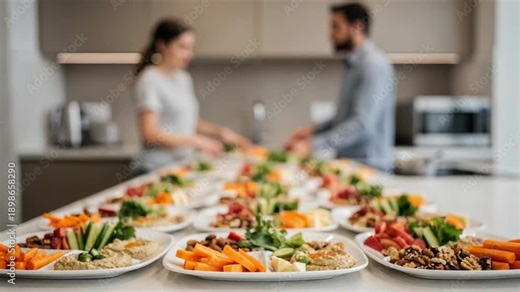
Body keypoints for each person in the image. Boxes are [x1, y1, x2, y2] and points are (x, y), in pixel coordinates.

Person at [285, 3, 395, 171]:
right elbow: (345, 118)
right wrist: (312, 130)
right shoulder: (354, 64)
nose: (331, 36)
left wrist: (312, 145)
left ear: (357, 27)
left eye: (336, 27)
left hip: (369, 168)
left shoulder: (373, 65)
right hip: (352, 165)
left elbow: (361, 124)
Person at [133, 19, 251, 172]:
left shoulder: (183, 78)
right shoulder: (149, 79)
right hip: (154, 168)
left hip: (181, 166)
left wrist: (222, 132)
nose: (189, 54)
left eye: (191, 48)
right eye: (182, 47)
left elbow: (187, 121)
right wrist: (197, 141)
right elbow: (150, 134)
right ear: (162, 45)